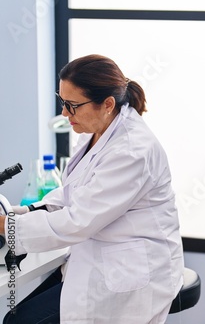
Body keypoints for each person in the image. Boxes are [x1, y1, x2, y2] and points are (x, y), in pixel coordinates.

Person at [1, 54, 184, 324]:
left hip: (128, 272)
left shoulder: (132, 150)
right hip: (95, 255)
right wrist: (21, 211)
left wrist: (6, 226)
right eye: (62, 102)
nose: (64, 113)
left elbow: (78, 221)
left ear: (107, 104)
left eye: (72, 105)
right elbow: (73, 194)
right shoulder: (96, 129)